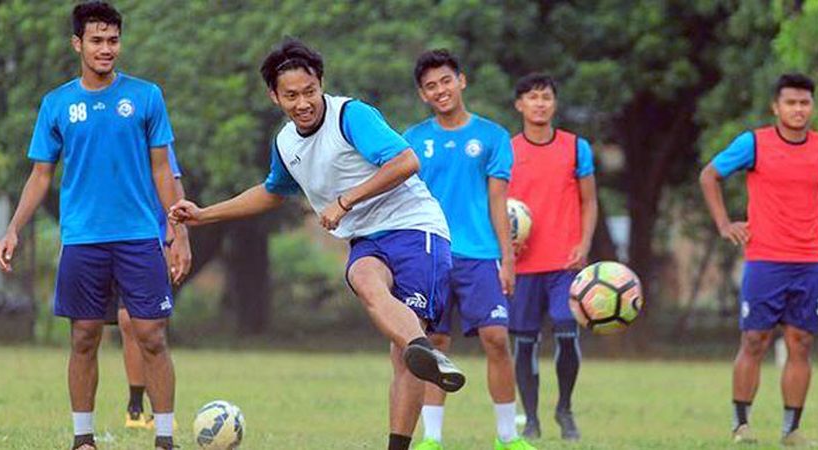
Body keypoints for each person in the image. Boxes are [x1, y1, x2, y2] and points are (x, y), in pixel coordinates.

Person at [168, 38, 466, 450]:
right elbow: (273, 191)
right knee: (363, 278)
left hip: (417, 229)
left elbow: (406, 162)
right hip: (367, 238)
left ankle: (414, 366)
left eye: (310, 91)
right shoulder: (286, 143)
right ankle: (422, 348)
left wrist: (344, 201)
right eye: (291, 95)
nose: (303, 102)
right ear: (274, 96)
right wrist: (204, 214)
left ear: (321, 83)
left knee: (400, 358)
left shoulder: (351, 116)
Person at [0, 3, 188, 449]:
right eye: (96, 41)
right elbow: (40, 175)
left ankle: (163, 439)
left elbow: (164, 171)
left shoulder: (146, 96)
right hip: (82, 239)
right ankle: (83, 439)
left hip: (139, 236)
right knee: (83, 336)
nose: (106, 49)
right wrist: (14, 229)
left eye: (113, 40)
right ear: (77, 44)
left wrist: (180, 231)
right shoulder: (56, 103)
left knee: (151, 335)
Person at [699, 73, 818, 447]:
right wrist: (724, 223)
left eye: (804, 103)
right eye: (791, 103)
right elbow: (709, 175)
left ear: (812, 106)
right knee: (754, 340)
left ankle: (791, 431)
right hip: (765, 259)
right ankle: (741, 425)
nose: (798, 110)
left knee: (800, 343)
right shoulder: (754, 143)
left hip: (809, 261)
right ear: (775, 107)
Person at [403, 49, 534, 450]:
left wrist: (507, 259)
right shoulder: (412, 140)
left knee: (497, 339)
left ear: (461, 81)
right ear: (423, 95)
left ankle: (508, 437)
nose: (440, 90)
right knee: (435, 346)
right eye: (430, 86)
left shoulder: (493, 137)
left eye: (446, 81)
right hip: (430, 254)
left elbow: (499, 202)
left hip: (480, 256)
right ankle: (433, 439)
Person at [506, 74, 597, 441]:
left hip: (565, 263)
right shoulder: (507, 150)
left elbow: (589, 201)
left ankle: (565, 408)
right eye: (532, 97)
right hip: (523, 265)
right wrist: (504, 245)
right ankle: (531, 419)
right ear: (520, 105)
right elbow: (496, 204)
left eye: (546, 97)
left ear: (554, 104)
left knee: (565, 329)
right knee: (524, 342)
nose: (540, 103)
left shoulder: (576, 148)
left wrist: (585, 244)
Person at [107, 144, 190, 430]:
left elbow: (172, 181)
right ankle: (134, 407)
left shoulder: (155, 134)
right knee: (126, 322)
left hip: (149, 241)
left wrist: (173, 235)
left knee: (148, 326)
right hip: (109, 238)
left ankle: (160, 412)